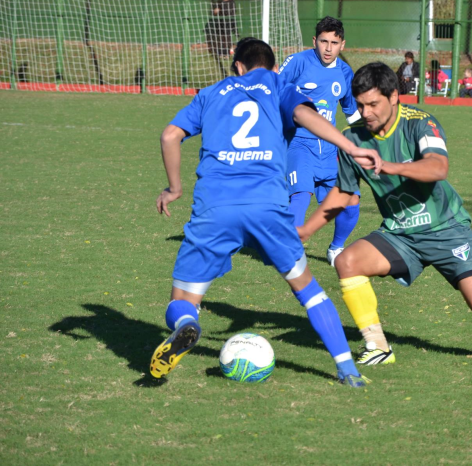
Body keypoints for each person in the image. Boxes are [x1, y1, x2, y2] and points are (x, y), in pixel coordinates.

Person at [150, 38, 383, 387]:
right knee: (309, 290)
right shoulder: (278, 84)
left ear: (238, 66)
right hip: (268, 206)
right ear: (274, 67)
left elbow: (170, 136)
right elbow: (305, 114)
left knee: (184, 296)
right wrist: (350, 146)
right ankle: (347, 369)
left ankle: (187, 324)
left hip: (215, 206)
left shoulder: (211, 92)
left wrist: (175, 188)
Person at [297, 62, 472, 367]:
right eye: (360, 105)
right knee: (348, 262)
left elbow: (438, 167)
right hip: (399, 233)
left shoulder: (421, 123)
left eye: (373, 104)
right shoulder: (353, 139)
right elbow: (345, 192)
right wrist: (307, 231)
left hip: (446, 228)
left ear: (394, 97)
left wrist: (390, 166)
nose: (367, 112)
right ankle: (378, 347)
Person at [279, 16, 362, 266]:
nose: (328, 48)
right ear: (314, 41)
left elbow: (351, 112)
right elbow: (274, 91)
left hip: (329, 149)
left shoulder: (345, 72)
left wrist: (368, 141)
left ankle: (336, 248)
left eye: (334, 43)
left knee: (351, 200)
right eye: (323, 41)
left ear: (342, 45)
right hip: (299, 142)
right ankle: (291, 252)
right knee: (301, 196)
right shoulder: (297, 62)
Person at [204, 0, 238, 76]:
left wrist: (219, 10)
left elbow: (228, 12)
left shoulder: (230, 3)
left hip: (228, 23)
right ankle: (226, 51)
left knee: (226, 37)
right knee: (222, 38)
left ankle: (226, 53)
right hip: (222, 23)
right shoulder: (223, 2)